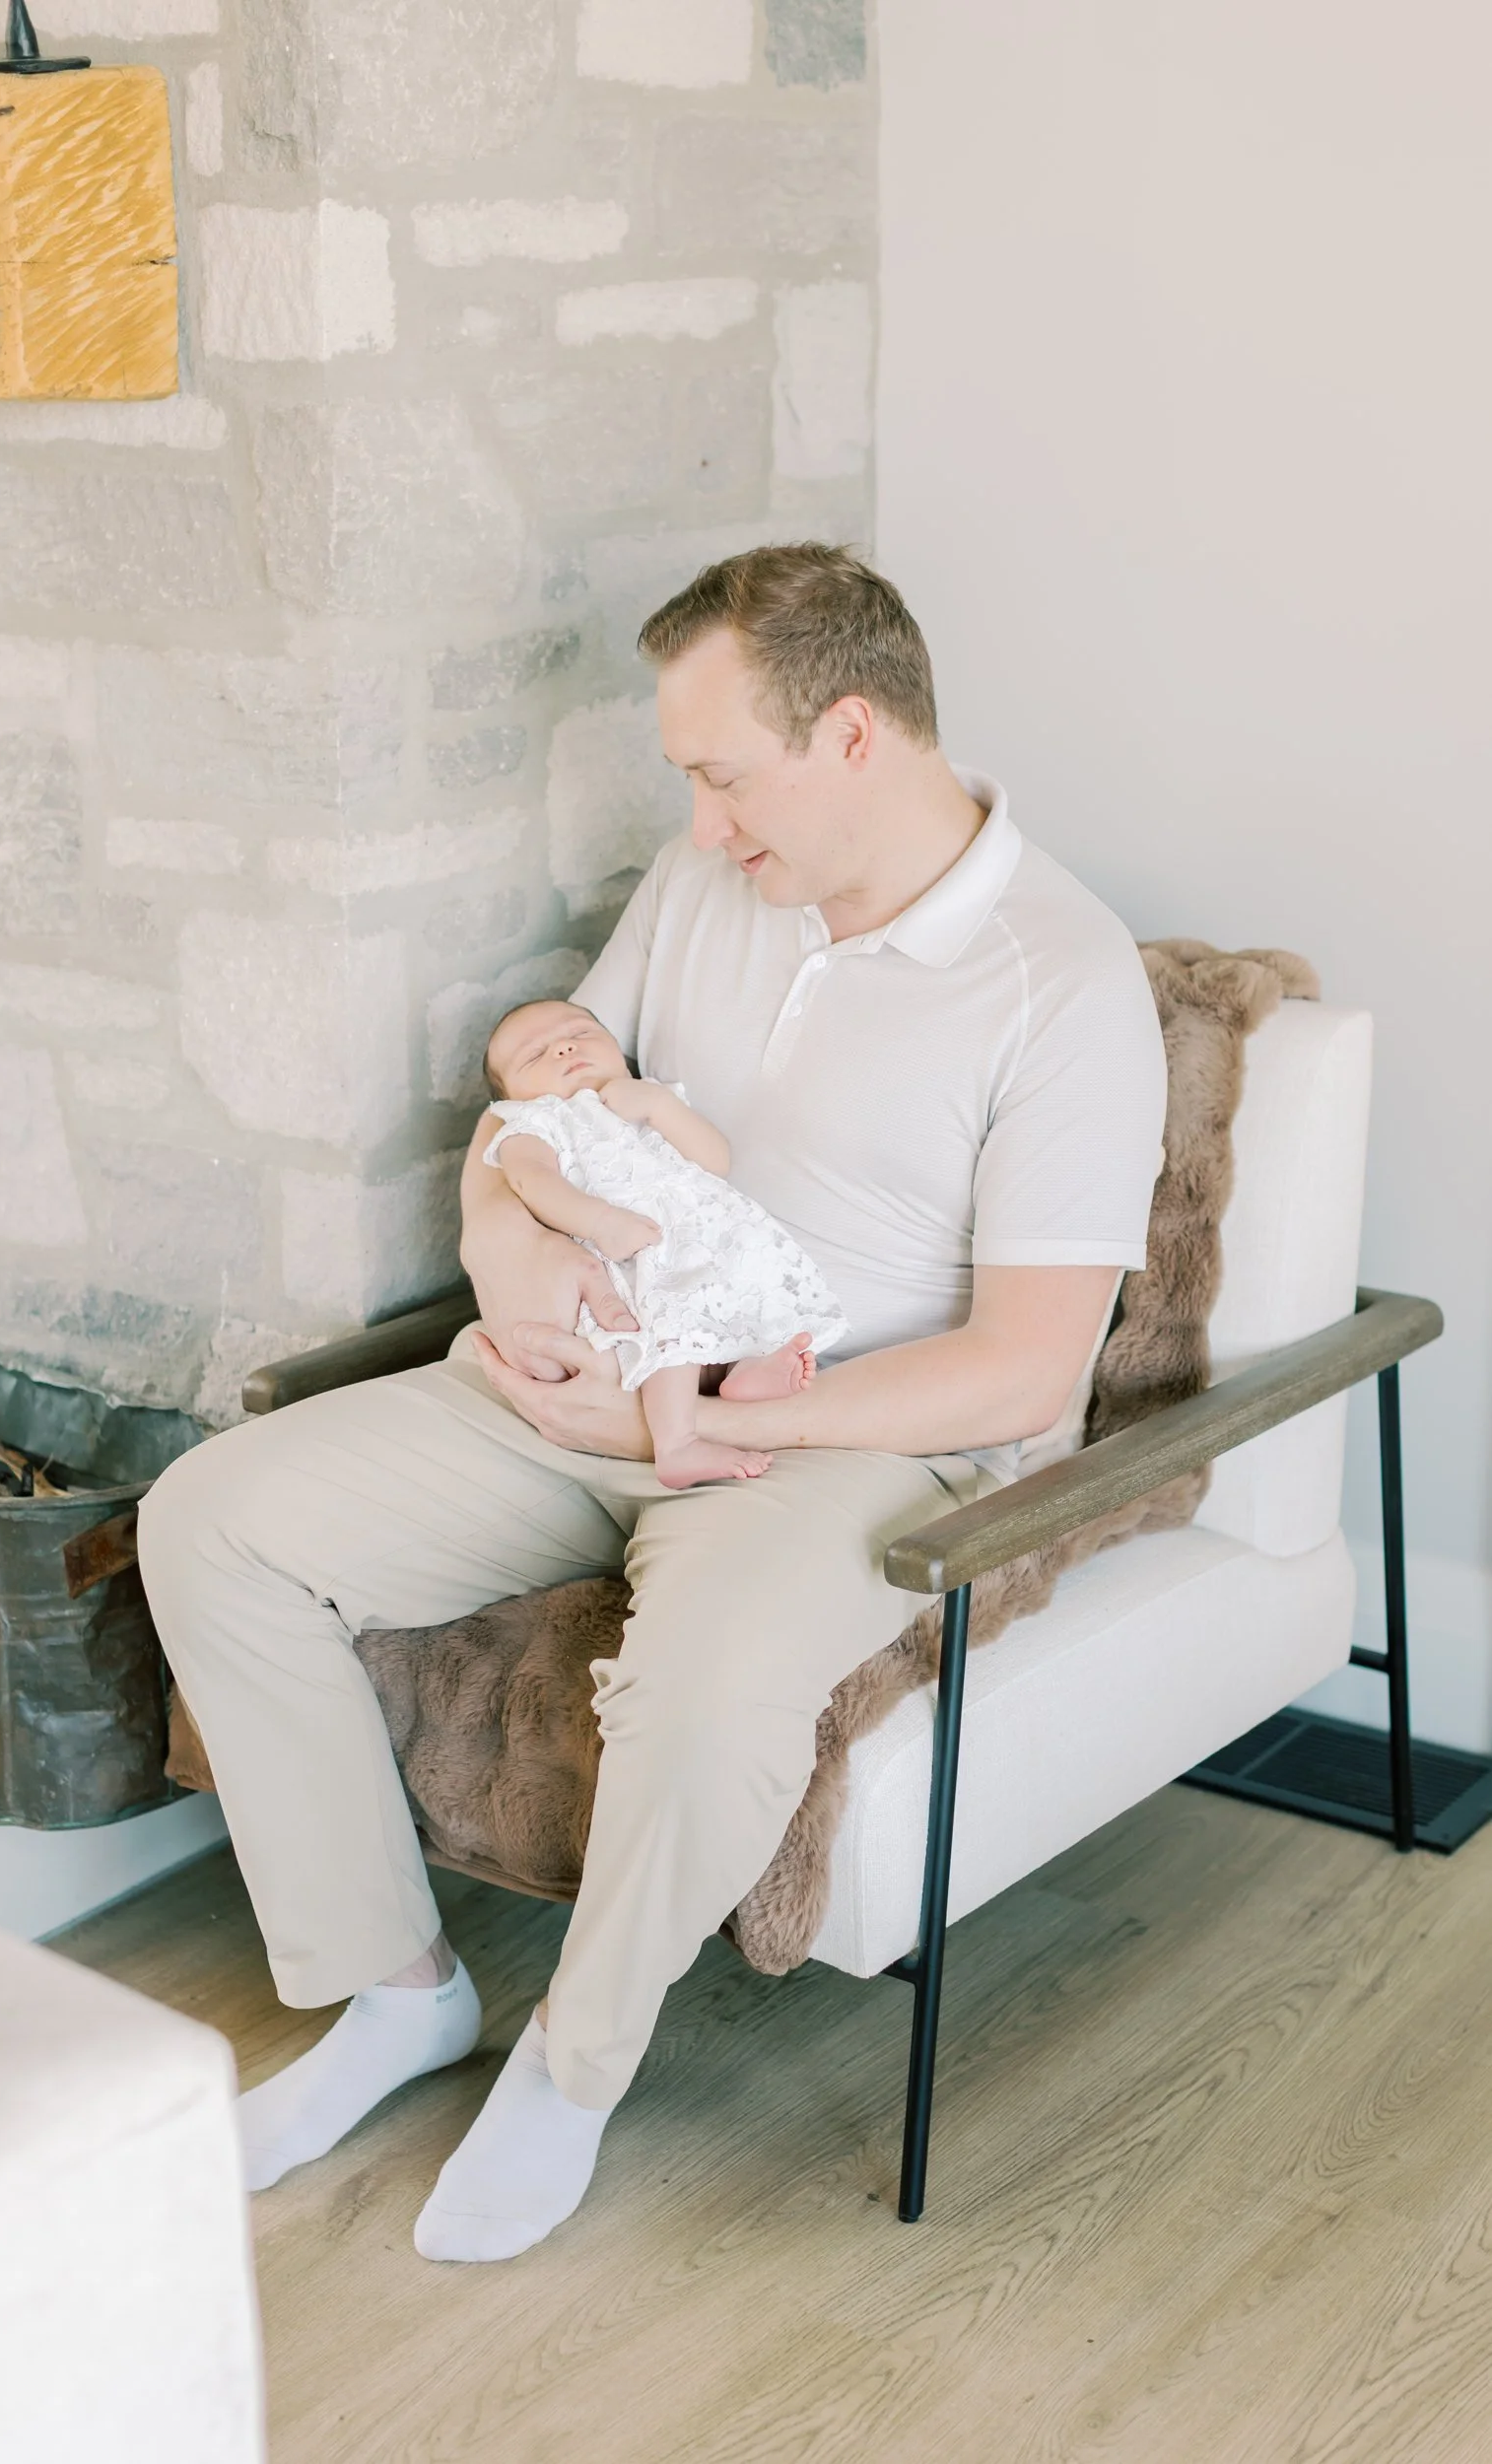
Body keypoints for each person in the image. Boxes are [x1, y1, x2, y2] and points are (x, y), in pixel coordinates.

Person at [137, 543, 1167, 2265]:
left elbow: (1024, 1369)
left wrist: (712, 1423)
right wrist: (506, 1257)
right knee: (210, 1520)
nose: (698, 831)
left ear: (852, 736)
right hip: (577, 1394)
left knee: (702, 1693)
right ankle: (394, 1995)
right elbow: (558, 1102)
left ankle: (572, 2060)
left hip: (846, 1440)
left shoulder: (1062, 980)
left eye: (718, 778)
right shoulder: (715, 894)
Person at [480, 996, 849, 1487]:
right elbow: (533, 1182)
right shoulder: (536, 1122)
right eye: (535, 1054)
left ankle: (743, 1372)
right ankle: (676, 1443)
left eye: (581, 1032)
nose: (565, 1047)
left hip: (708, 1237)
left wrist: (660, 1106)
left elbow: (714, 1160)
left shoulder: (647, 1096)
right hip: (634, 1252)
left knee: (745, 1290)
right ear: (510, 1098)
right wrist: (600, 1221)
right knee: (670, 1320)